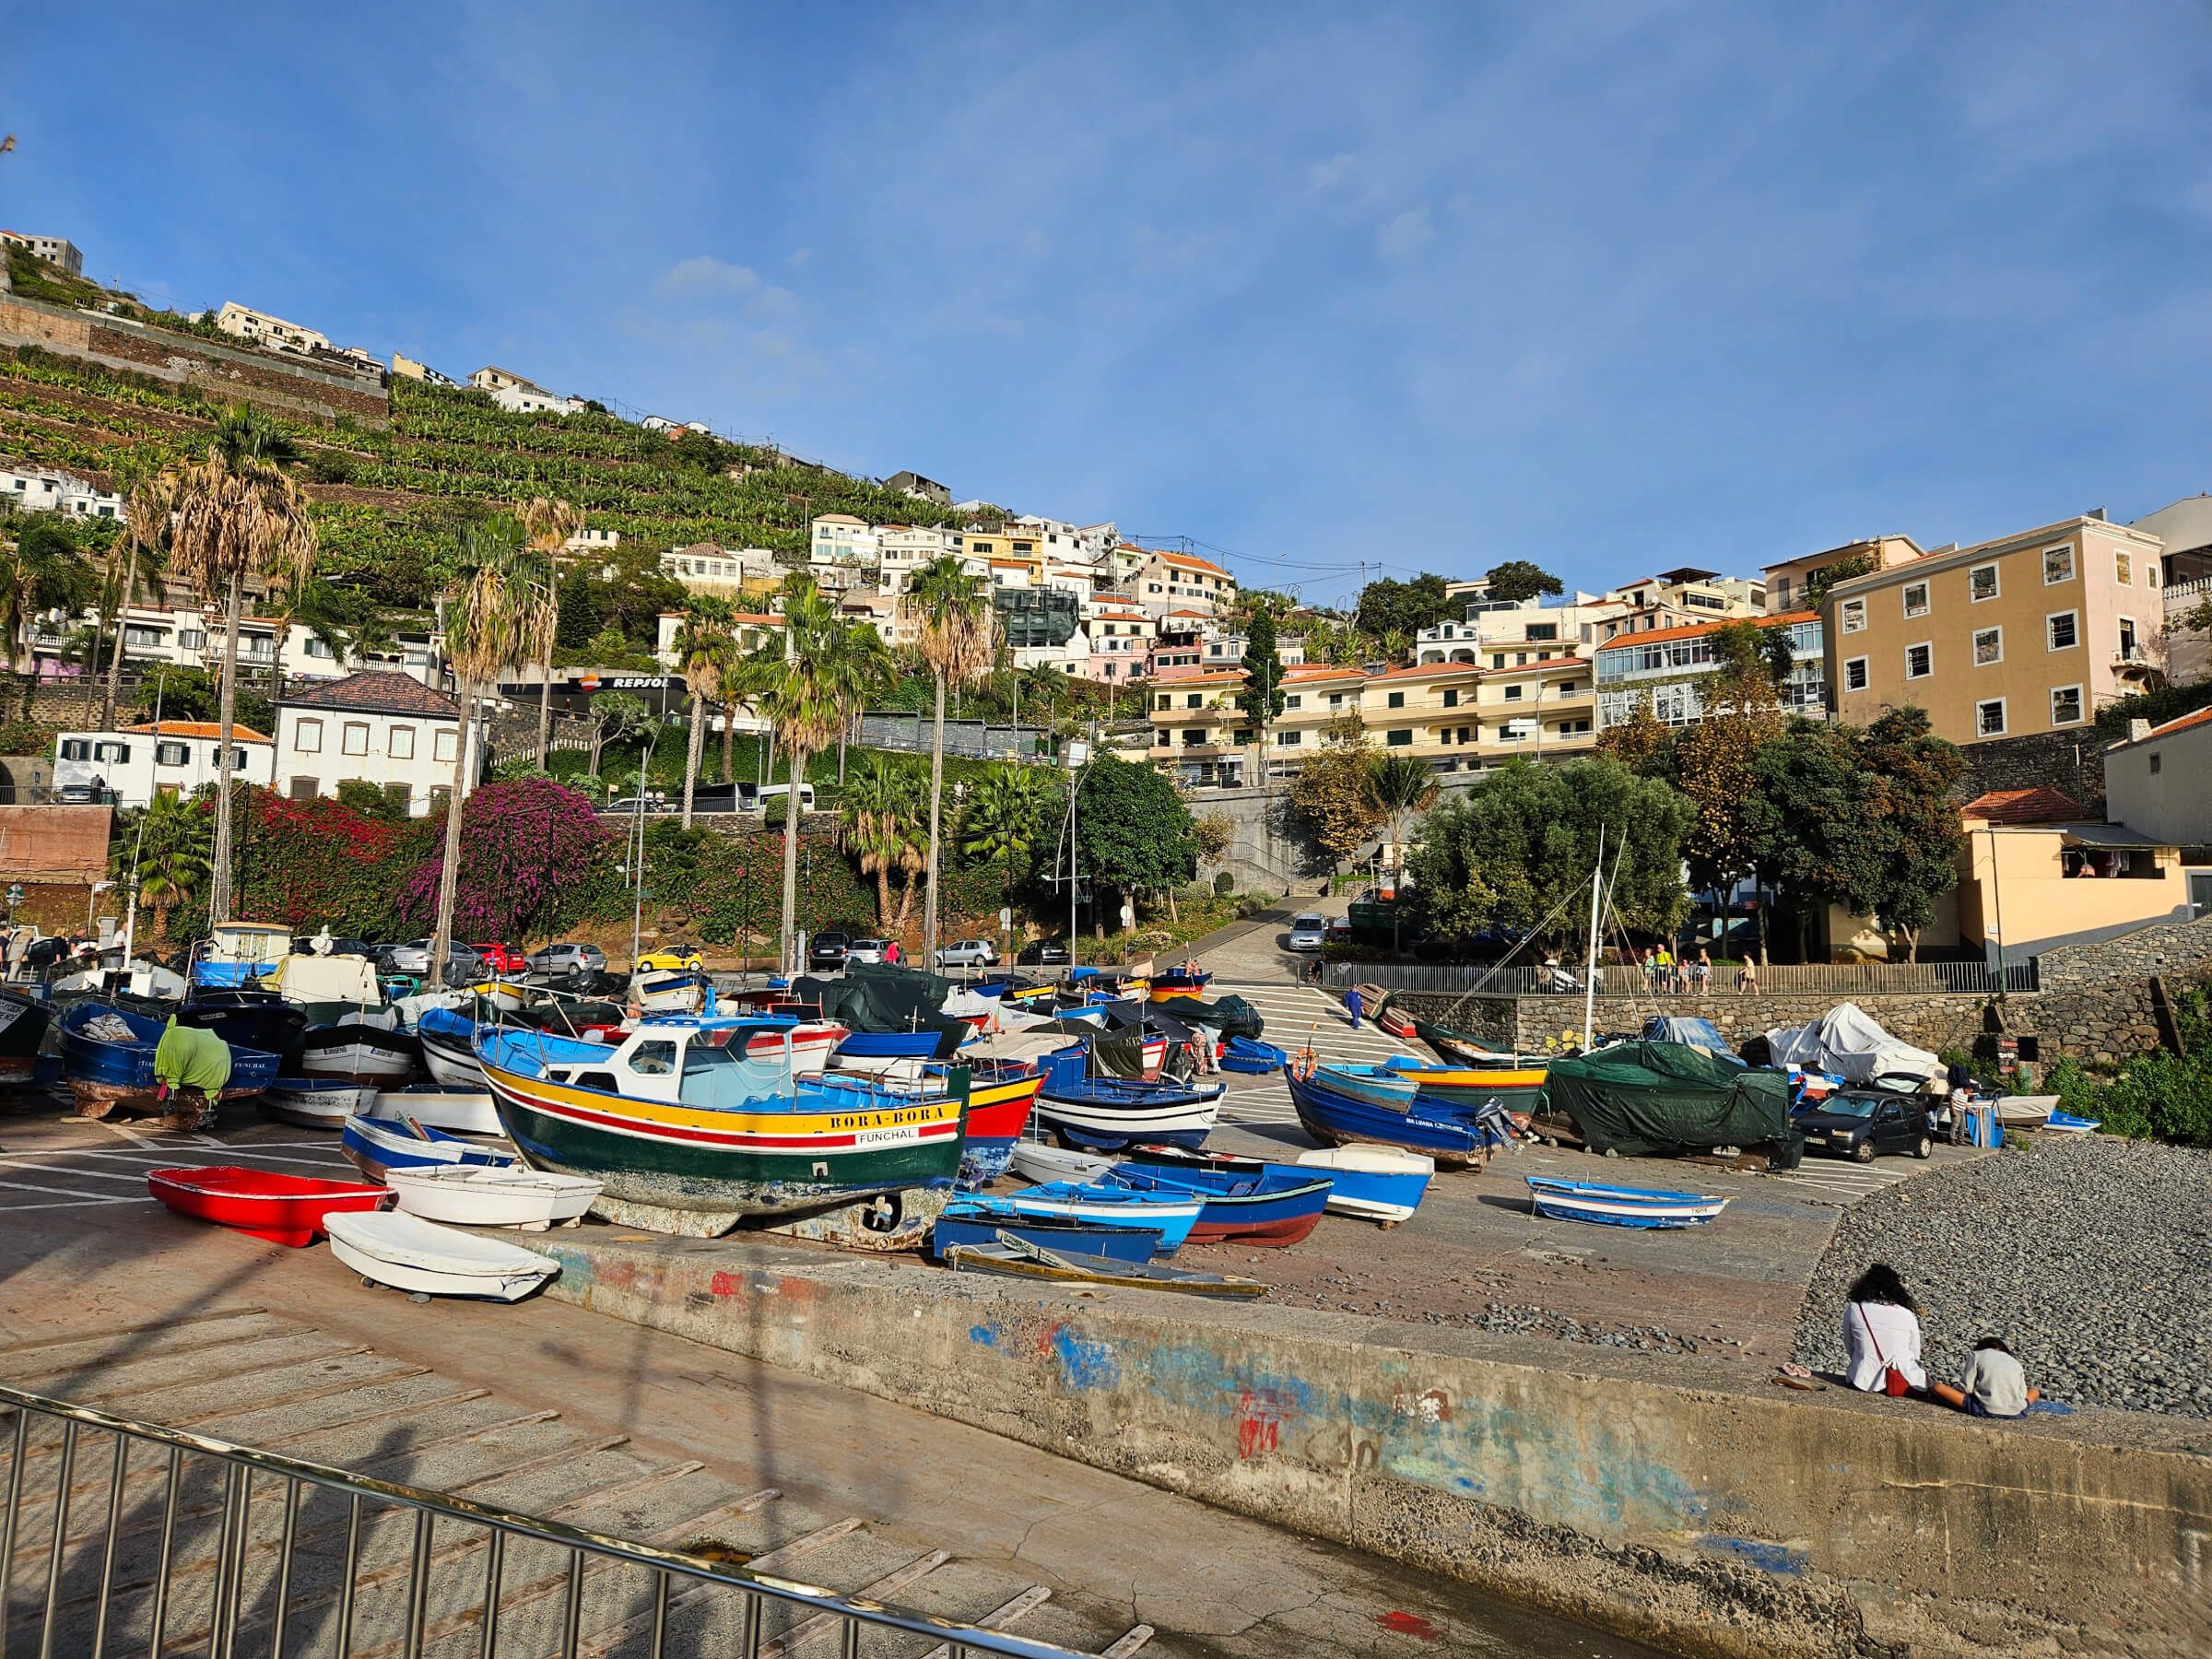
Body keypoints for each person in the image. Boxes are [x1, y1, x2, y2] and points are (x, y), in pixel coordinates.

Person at [1842, 1264, 1928, 1395]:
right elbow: (1915, 1352)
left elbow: (1850, 1345)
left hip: (1863, 1380)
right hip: (1905, 1380)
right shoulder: (1907, 1314)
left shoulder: (1855, 1309)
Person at [146, 1015, 231, 1133]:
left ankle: (171, 1099)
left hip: (179, 1039)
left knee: (174, 1071)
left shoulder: (175, 1035)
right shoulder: (220, 1046)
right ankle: (207, 1109)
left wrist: (170, 1079)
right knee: (211, 1087)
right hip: (211, 1056)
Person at [1933, 1337, 2041, 1418]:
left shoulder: (1976, 1355)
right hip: (2018, 1412)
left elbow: (1967, 1388)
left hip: (1987, 1410)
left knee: (1938, 1387)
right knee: (2034, 1391)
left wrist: (1955, 1388)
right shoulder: (2015, 1362)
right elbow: (2022, 1394)